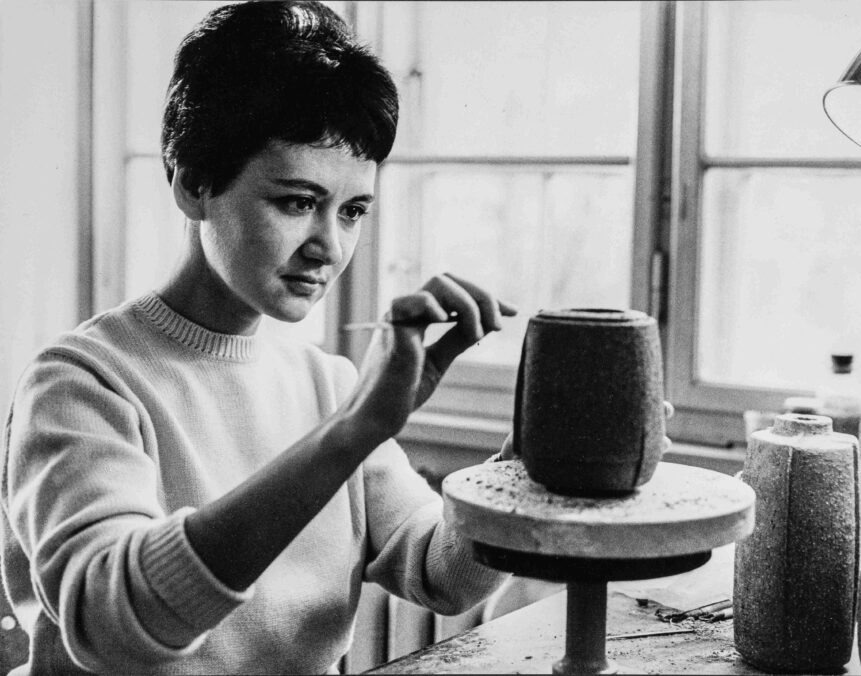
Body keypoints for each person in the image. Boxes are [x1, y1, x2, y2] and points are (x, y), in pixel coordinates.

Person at [0, 2, 517, 673]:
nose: (329, 247)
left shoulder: (327, 384)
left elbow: (440, 574)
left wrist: (525, 468)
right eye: (297, 202)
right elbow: (113, 625)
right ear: (193, 184)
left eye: (352, 211)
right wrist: (349, 433)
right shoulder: (81, 382)